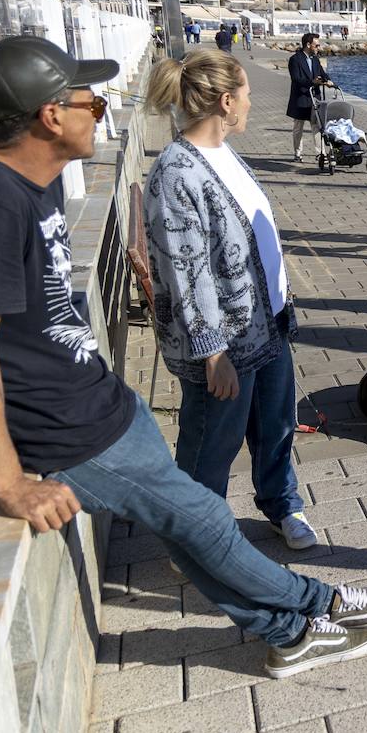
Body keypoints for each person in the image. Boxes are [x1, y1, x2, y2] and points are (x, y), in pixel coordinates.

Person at [0, 36, 367, 681]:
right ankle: (316, 608)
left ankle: (288, 630)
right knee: (200, 512)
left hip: (97, 402)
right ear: (49, 116)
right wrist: (9, 482)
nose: (104, 111)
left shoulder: (26, 186)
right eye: (90, 100)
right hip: (62, 431)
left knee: (186, 523)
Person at [143, 48, 317, 552]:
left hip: (268, 323)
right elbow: (185, 269)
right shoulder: (178, 172)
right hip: (223, 344)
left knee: (276, 428)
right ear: (225, 101)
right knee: (209, 446)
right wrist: (213, 353)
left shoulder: (224, 153)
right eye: (244, 93)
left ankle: (283, 505)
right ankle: (193, 541)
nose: (248, 102)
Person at [287, 33, 332, 161]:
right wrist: (313, 82)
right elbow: (296, 79)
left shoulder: (315, 59)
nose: (318, 47)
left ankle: (321, 154)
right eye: (316, 45)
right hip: (300, 98)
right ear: (308, 45)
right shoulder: (295, 59)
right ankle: (297, 153)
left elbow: (323, 74)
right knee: (298, 128)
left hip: (314, 98)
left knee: (317, 127)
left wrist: (328, 81)